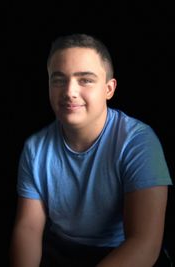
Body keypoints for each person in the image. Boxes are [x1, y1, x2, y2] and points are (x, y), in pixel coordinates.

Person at [10, 33, 172, 267]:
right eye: (58, 80)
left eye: (85, 80)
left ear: (109, 88)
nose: (69, 92)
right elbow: (29, 228)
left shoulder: (138, 141)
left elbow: (144, 243)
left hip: (123, 253)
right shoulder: (35, 148)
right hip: (61, 250)